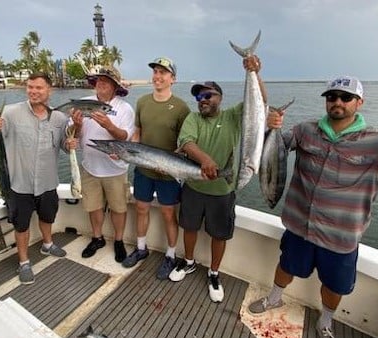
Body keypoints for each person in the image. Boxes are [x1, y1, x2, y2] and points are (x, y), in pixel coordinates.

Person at [247, 76, 378, 338]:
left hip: (341, 237)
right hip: (299, 225)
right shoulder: (305, 131)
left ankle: (325, 322)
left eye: (346, 98)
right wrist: (271, 127)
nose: (338, 102)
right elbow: (274, 148)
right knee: (286, 266)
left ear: (359, 102)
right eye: (332, 97)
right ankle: (274, 298)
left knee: (334, 285)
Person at [168, 55, 267, 303]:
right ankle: (189, 262)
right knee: (189, 227)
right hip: (193, 186)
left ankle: (214, 273)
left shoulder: (233, 116)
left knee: (219, 235)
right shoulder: (193, 118)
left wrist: (254, 73)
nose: (202, 100)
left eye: (208, 95)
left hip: (223, 189)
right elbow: (186, 142)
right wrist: (205, 160)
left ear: (219, 98)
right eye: (199, 96)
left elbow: (260, 102)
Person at [0, 73, 74, 285]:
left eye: (39, 88)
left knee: (47, 217)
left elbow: (64, 144)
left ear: (49, 91)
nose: (33, 91)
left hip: (47, 182)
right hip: (19, 185)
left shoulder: (59, 118)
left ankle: (47, 244)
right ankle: (24, 262)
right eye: (30, 87)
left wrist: (71, 144)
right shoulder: (10, 112)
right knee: (21, 226)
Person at [121, 57, 191, 280]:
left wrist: (171, 163)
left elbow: (186, 142)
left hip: (168, 172)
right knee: (141, 208)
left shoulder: (181, 107)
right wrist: (124, 149)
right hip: (143, 168)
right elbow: (138, 132)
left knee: (168, 213)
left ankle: (170, 255)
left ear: (173, 79)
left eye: (163, 73)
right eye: (155, 72)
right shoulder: (141, 101)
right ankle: (141, 248)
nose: (158, 76)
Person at [70, 66, 135, 263]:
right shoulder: (83, 104)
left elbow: (125, 136)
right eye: (98, 80)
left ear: (115, 86)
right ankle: (97, 238)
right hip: (89, 167)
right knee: (93, 206)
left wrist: (108, 125)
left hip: (115, 170)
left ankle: (118, 241)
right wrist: (77, 125)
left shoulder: (125, 109)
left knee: (118, 207)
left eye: (106, 81)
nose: (100, 83)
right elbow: (72, 133)